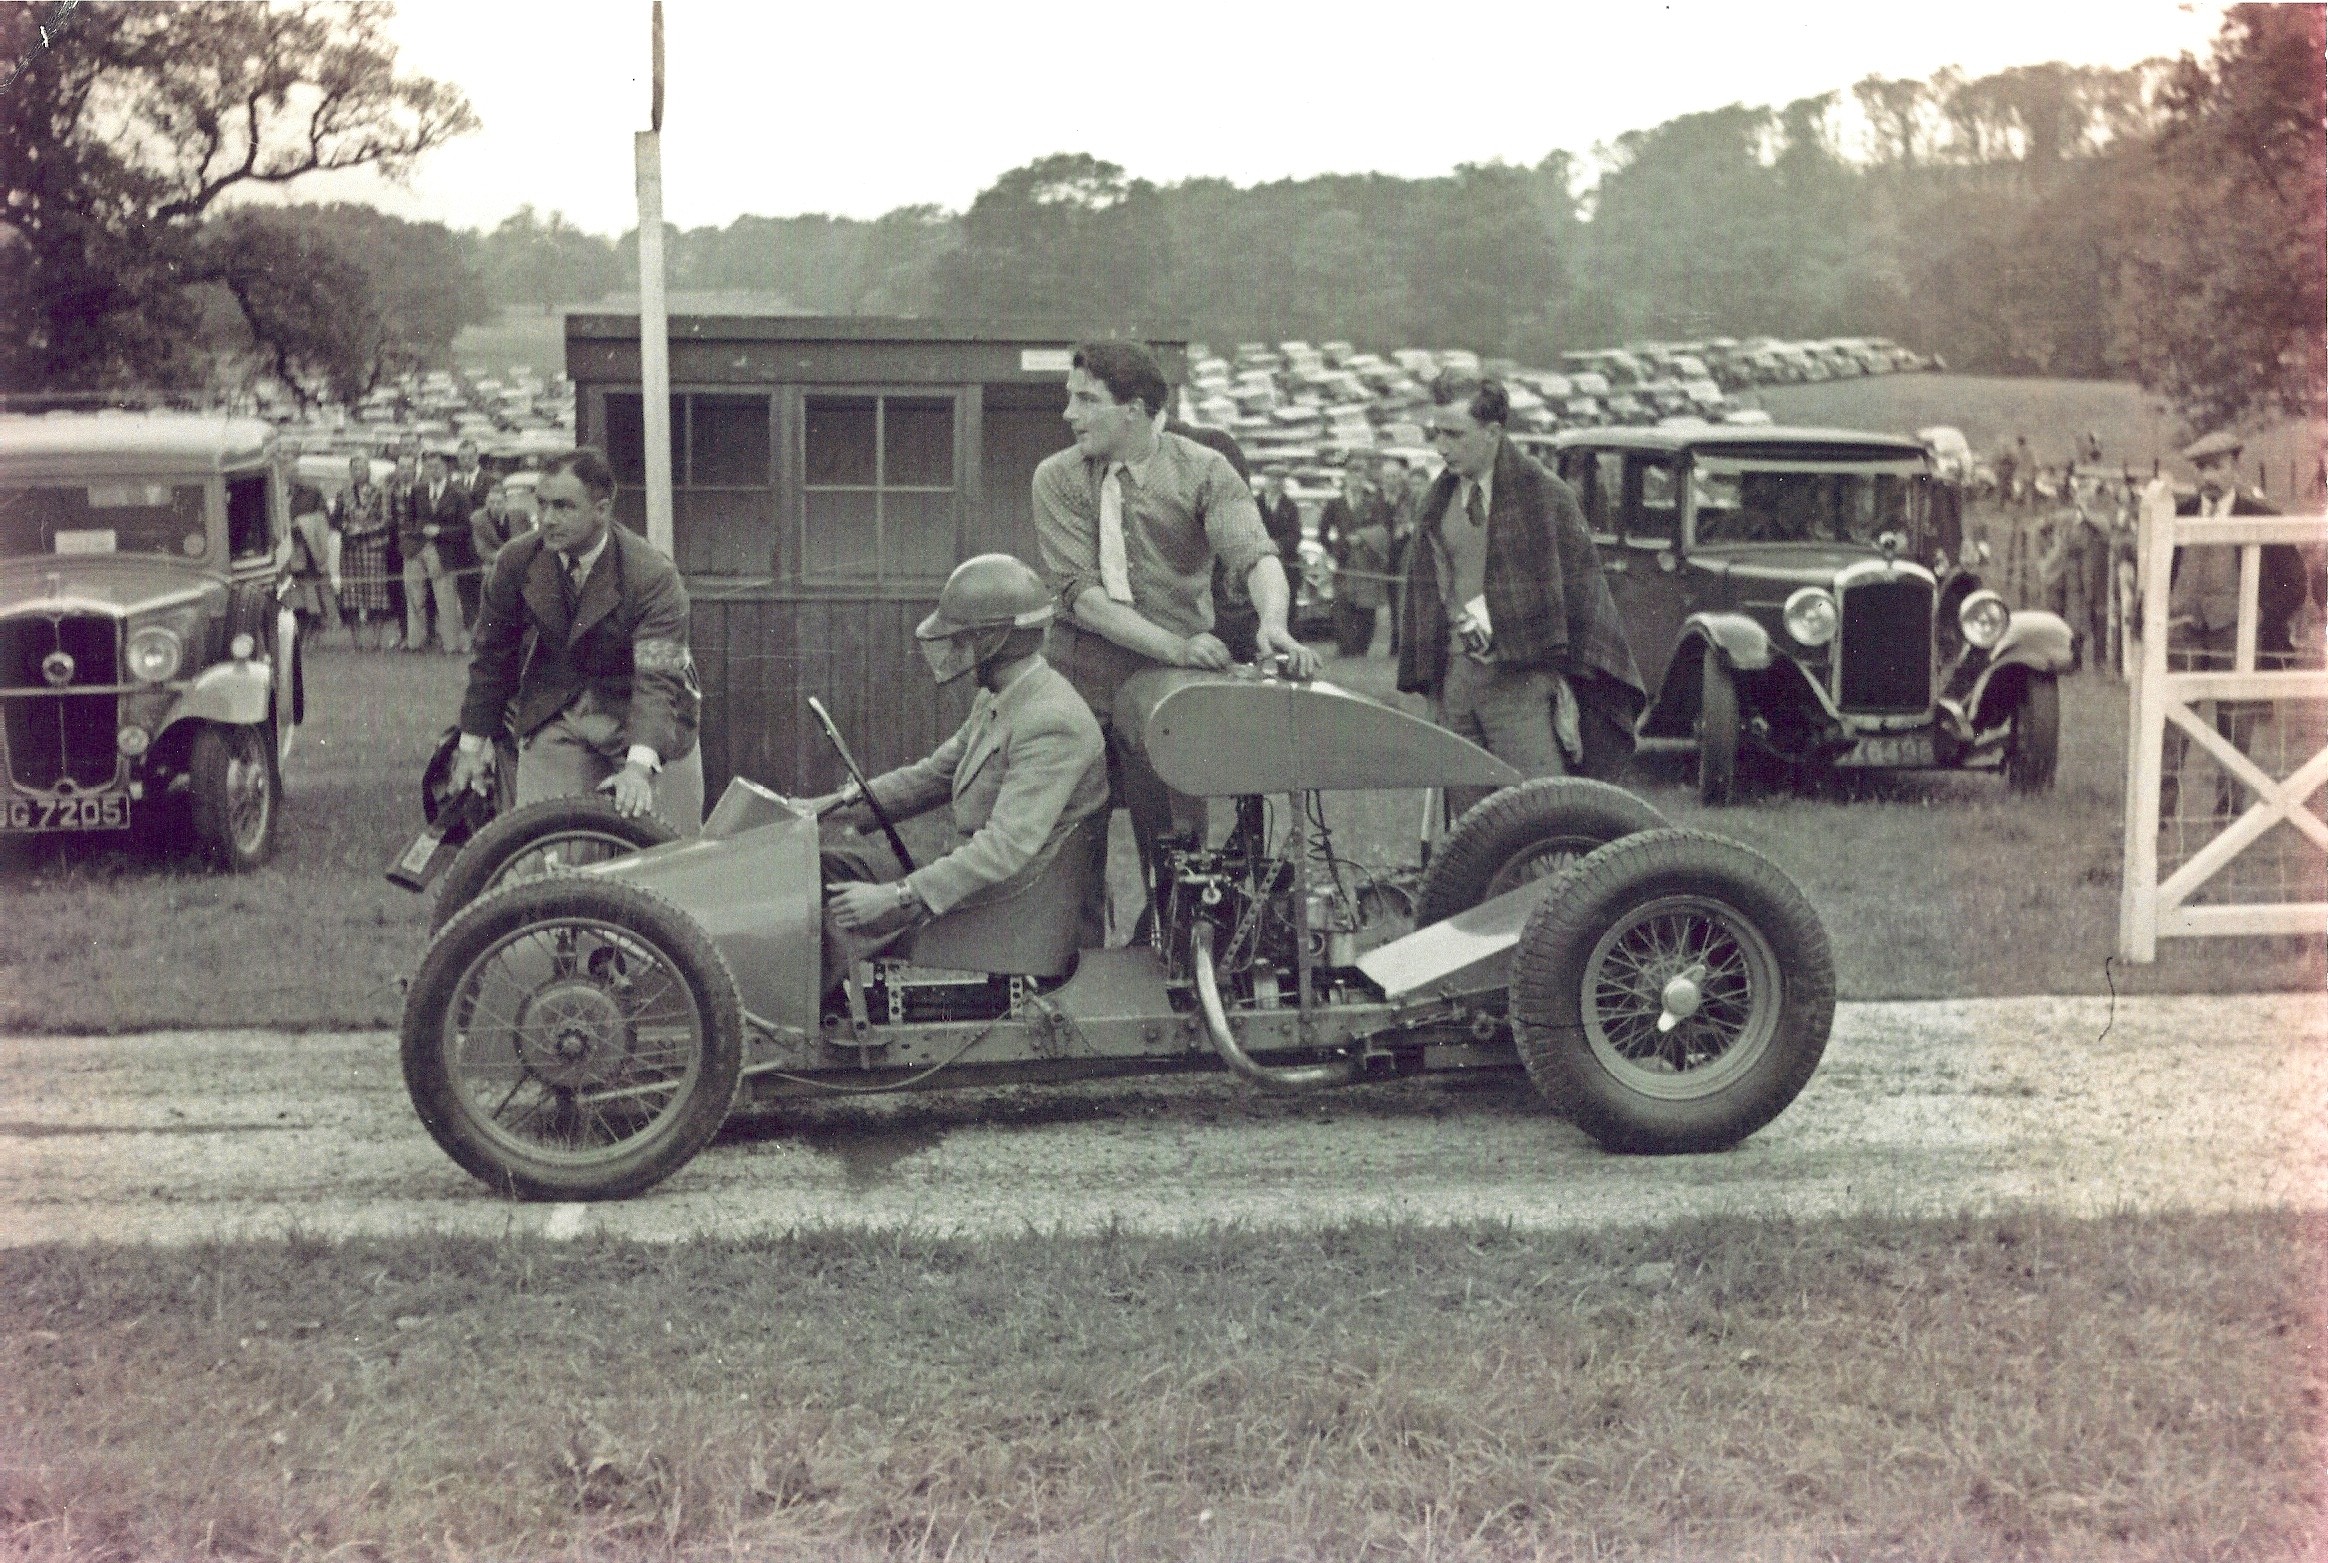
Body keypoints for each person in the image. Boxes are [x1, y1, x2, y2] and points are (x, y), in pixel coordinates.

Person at [1030, 340, 1321, 919]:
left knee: (1177, 849)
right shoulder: (1056, 478)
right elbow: (1082, 599)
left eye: (1086, 401)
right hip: (1077, 683)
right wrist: (1178, 646)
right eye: (1070, 398)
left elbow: (1256, 554)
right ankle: (1068, 972)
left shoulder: (1205, 470)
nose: (1069, 414)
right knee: (1062, 845)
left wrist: (1274, 622)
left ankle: (1175, 962)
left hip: (1168, 694)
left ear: (1133, 409)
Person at [809, 554, 1111, 980]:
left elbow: (1004, 849)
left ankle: (801, 1032)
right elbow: (932, 775)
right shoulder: (1003, 696)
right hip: (981, 887)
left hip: (1011, 910)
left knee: (823, 925)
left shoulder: (1051, 721)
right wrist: (822, 809)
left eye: (962, 639)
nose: (953, 651)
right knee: (828, 868)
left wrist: (895, 896)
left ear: (994, 641)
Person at [1397, 376, 1645, 813]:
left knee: (1542, 817)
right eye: (1435, 433)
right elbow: (1429, 590)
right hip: (1455, 685)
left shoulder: (1545, 496)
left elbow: (1585, 597)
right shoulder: (1435, 501)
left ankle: (1556, 885)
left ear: (1493, 432)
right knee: (1471, 831)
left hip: (1521, 685)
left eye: (1454, 434)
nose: (1440, 447)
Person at [446, 447, 704, 833]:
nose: (547, 519)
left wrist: (638, 766)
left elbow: (658, 678)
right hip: (559, 711)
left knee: (671, 853)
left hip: (650, 716)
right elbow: (491, 658)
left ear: (602, 509)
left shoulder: (653, 575)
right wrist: (470, 747)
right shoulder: (516, 562)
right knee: (541, 849)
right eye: (542, 504)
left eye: (564, 507)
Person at [400, 450, 471, 655]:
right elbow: (409, 521)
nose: (434, 470)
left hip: (444, 551)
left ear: (446, 467)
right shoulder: (418, 490)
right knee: (414, 596)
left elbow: (466, 528)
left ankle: (451, 645)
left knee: (446, 598)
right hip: (416, 549)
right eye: (429, 466)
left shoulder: (458, 493)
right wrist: (409, 543)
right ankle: (416, 642)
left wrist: (441, 531)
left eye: (437, 466)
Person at [330, 454, 396, 651]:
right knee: (351, 596)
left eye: (362, 468)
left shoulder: (381, 492)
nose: (359, 472)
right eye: (355, 468)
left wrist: (364, 529)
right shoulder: (344, 493)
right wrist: (346, 528)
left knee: (376, 595)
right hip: (350, 549)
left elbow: (386, 520)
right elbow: (335, 519)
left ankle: (376, 640)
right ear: (350, 471)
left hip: (374, 548)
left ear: (369, 470)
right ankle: (357, 641)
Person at [276, 438, 338, 638]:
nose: (287, 467)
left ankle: (313, 626)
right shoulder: (273, 491)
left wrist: (303, 524)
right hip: (279, 548)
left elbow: (323, 520)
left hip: (304, 549)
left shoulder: (312, 492)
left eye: (291, 462)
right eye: (283, 459)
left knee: (310, 589)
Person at [449, 438, 494, 625]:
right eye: (462, 458)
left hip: (481, 540)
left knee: (483, 584)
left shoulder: (489, 480)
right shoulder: (454, 483)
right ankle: (470, 625)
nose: (466, 461)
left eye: (469, 457)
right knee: (464, 585)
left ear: (477, 457)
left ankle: (485, 625)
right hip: (460, 541)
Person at [469, 479, 526, 574]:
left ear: (506, 502)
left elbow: (527, 541)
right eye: (491, 502)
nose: (495, 506)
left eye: (499, 502)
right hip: (493, 564)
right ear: (486, 502)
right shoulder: (478, 519)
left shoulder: (520, 515)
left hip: (519, 562)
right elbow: (482, 550)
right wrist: (505, 558)